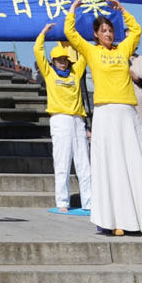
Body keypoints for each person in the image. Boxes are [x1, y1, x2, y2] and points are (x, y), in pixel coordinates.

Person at [64, 0, 142, 236]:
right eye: (103, 31)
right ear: (96, 35)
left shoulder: (123, 50)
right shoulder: (91, 51)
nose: (108, 34)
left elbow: (136, 30)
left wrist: (123, 10)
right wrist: (73, 8)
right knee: (111, 166)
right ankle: (116, 220)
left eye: (110, 30)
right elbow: (70, 32)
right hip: (105, 113)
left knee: (137, 163)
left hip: (127, 112)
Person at [33, 22, 92, 216]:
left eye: (64, 59)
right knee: (62, 161)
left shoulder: (76, 72)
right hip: (60, 119)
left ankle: (89, 200)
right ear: (53, 61)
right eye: (58, 59)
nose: (62, 62)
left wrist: (79, 33)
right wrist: (43, 32)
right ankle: (62, 201)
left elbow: (85, 53)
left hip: (77, 119)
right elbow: (37, 50)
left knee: (84, 163)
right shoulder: (49, 73)